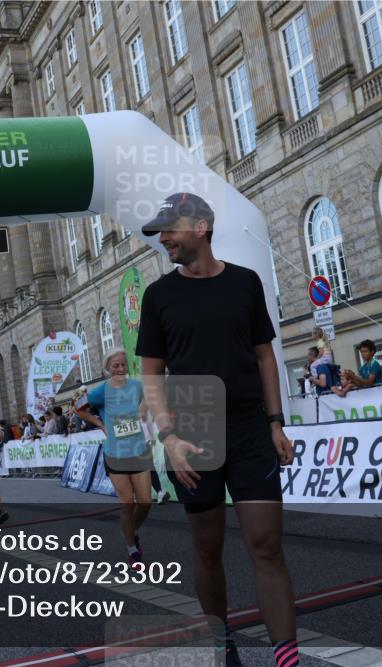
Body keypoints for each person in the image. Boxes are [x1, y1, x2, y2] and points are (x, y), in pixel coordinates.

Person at [136, 192, 298, 667]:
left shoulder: (245, 283)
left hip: (250, 426)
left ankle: (287, 658)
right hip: (192, 425)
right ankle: (219, 642)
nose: (163, 238)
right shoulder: (159, 295)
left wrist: (275, 424)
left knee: (266, 545)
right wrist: (168, 437)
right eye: (159, 231)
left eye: (169, 228)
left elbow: (266, 356)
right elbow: (152, 374)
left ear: (201, 226)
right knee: (207, 549)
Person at [75, 349, 153, 570]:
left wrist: (144, 408)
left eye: (122, 365)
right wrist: (99, 423)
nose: (120, 369)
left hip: (138, 450)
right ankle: (132, 550)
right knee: (127, 503)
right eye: (115, 366)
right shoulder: (101, 391)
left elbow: (149, 397)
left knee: (145, 502)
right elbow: (78, 408)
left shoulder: (136, 387)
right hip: (115, 453)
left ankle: (130, 530)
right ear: (107, 368)